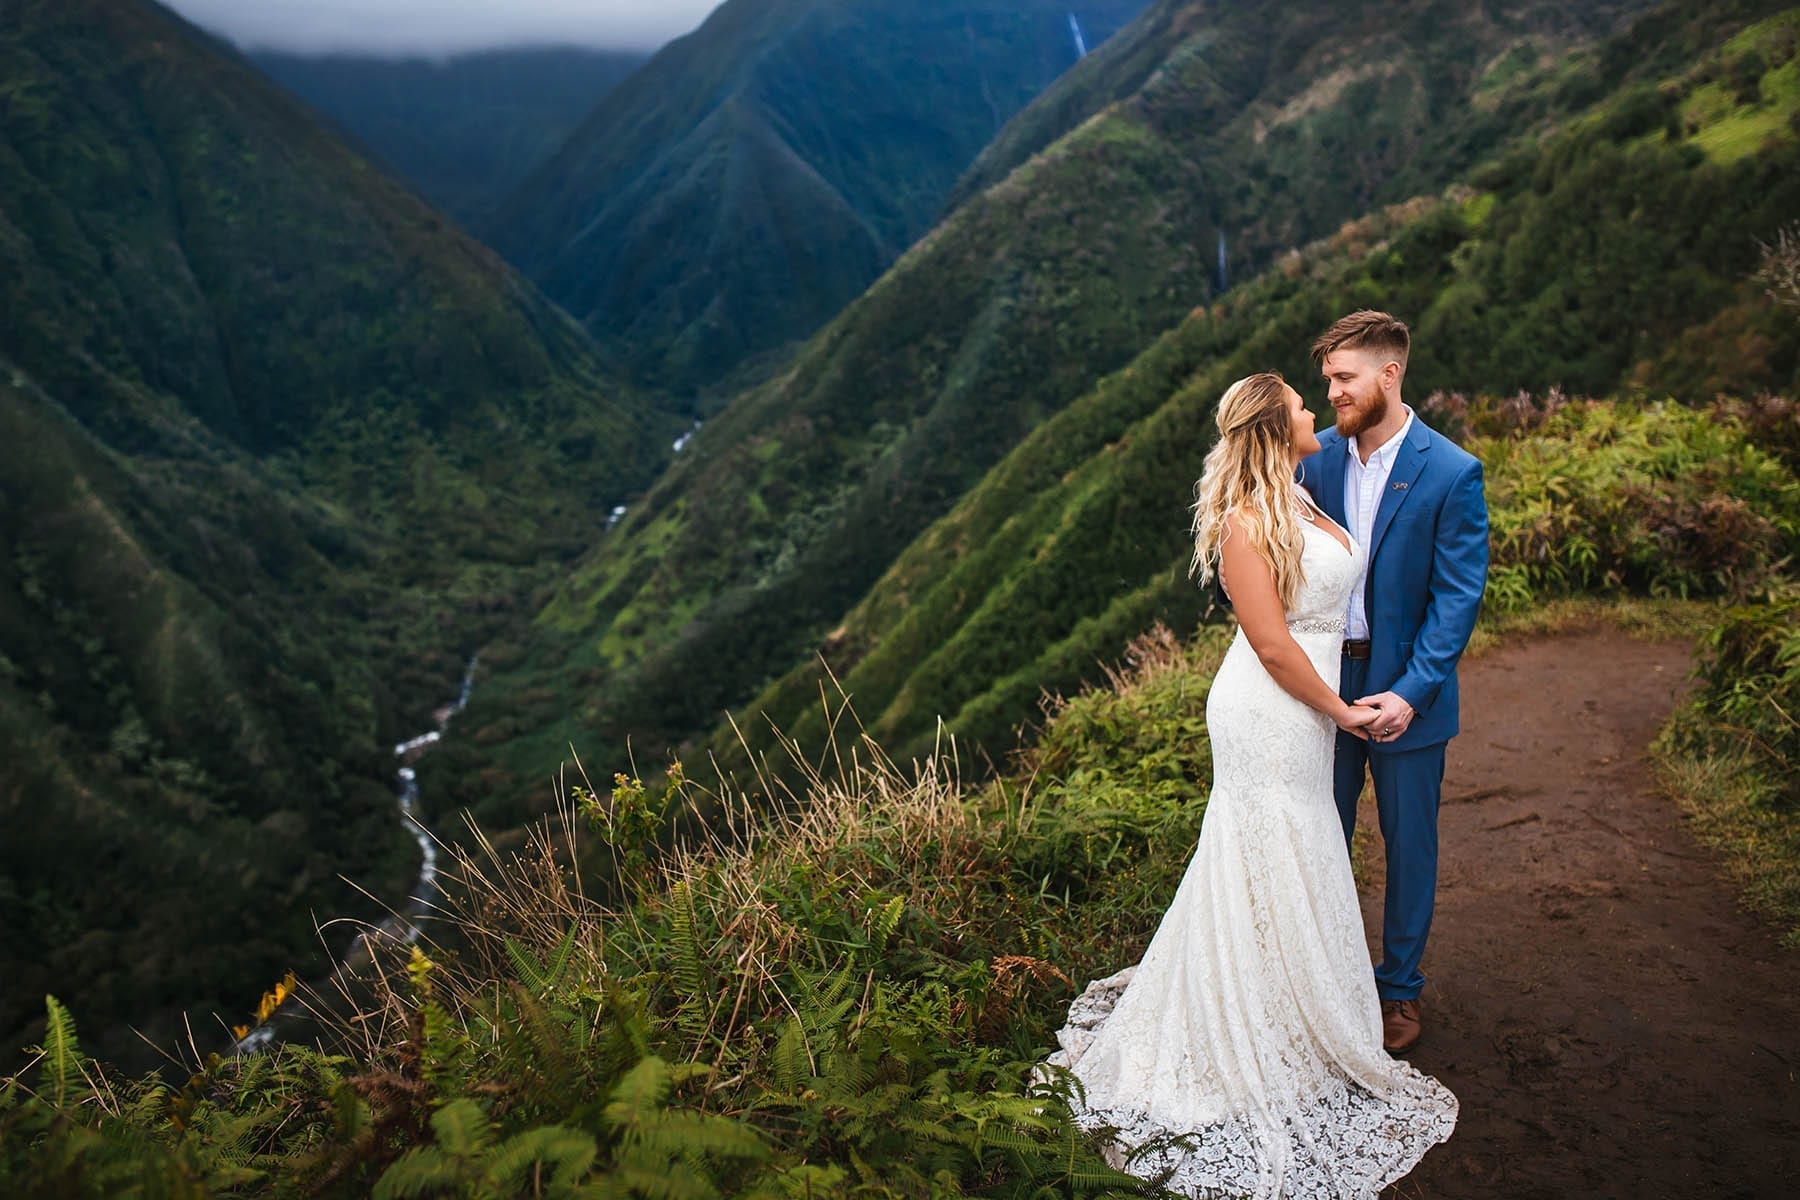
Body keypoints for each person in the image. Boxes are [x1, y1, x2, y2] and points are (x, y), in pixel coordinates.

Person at [1039, 372, 1457, 1197]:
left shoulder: (1301, 496)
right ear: (1274, 429)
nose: (1316, 410)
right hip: (1271, 709)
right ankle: (1255, 1023)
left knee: (1293, 847)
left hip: (1304, 706)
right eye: (1304, 405)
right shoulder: (1243, 523)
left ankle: (1293, 1010)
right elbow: (1270, 645)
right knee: (1270, 845)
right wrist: (1342, 710)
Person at [1299, 310, 1488, 1054]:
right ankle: (1328, 983)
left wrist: (1411, 693)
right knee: (1321, 835)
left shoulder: (1451, 471)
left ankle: (1399, 990)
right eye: (1329, 382)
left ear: (1389, 374)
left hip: (1408, 689)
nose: (1335, 394)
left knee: (1409, 843)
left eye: (1344, 380)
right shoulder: (1314, 461)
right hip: (1321, 688)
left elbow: (1455, 598)